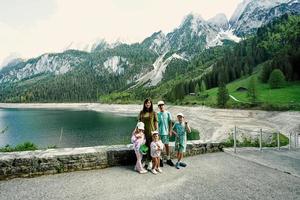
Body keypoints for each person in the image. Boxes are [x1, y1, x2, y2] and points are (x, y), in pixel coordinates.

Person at [138, 98, 158, 170]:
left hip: (151, 132)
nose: (148, 104)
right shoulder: (141, 112)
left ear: (151, 104)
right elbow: (139, 122)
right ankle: (145, 161)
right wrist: (137, 131)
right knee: (143, 146)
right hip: (143, 133)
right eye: (146, 103)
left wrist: (156, 131)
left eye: (149, 103)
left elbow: (156, 122)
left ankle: (149, 162)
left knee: (150, 147)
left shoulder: (153, 112)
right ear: (144, 104)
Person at [157, 100, 174, 167]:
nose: (161, 106)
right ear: (158, 106)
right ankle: (160, 160)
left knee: (166, 146)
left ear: (164, 105)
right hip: (159, 133)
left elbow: (170, 122)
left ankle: (168, 159)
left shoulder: (168, 113)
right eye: (160, 105)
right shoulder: (158, 114)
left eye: (162, 105)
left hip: (166, 133)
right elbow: (157, 124)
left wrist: (170, 131)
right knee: (160, 147)